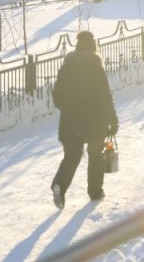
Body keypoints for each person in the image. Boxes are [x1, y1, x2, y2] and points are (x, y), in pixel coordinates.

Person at [51, 30, 118, 208]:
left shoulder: (66, 68)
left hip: (70, 121)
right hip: (95, 121)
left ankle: (60, 185)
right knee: (95, 156)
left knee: (71, 156)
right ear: (93, 46)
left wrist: (67, 108)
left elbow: (56, 95)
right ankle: (95, 192)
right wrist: (113, 120)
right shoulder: (96, 68)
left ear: (77, 46)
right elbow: (105, 97)